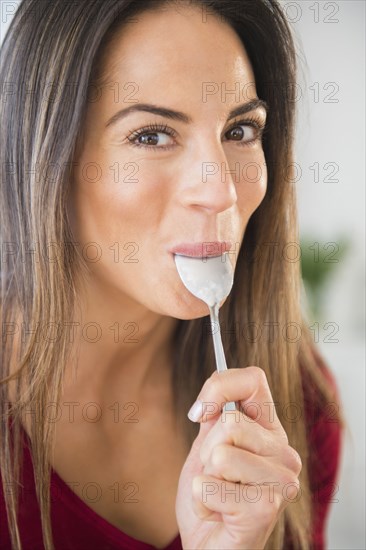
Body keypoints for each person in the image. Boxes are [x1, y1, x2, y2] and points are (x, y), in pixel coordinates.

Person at [0, 0, 343, 549]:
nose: (221, 191)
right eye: (152, 135)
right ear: (47, 159)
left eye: (240, 130)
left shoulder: (295, 409)